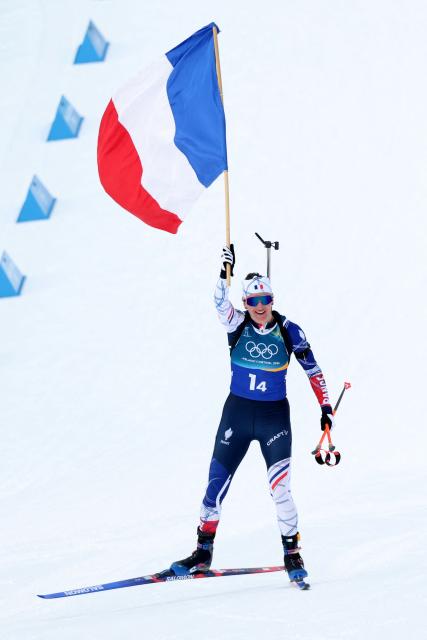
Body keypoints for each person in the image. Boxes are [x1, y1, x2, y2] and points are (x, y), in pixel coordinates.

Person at [169, 246, 334, 583]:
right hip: (237, 415)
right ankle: (203, 551)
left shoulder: (290, 330)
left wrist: (326, 408)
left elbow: (313, 371)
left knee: (281, 490)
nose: (260, 307)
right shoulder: (237, 324)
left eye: (265, 300)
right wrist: (223, 272)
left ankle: (292, 553)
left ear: (272, 299)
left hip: (274, 419)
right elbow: (218, 303)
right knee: (214, 488)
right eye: (252, 301)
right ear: (245, 303)